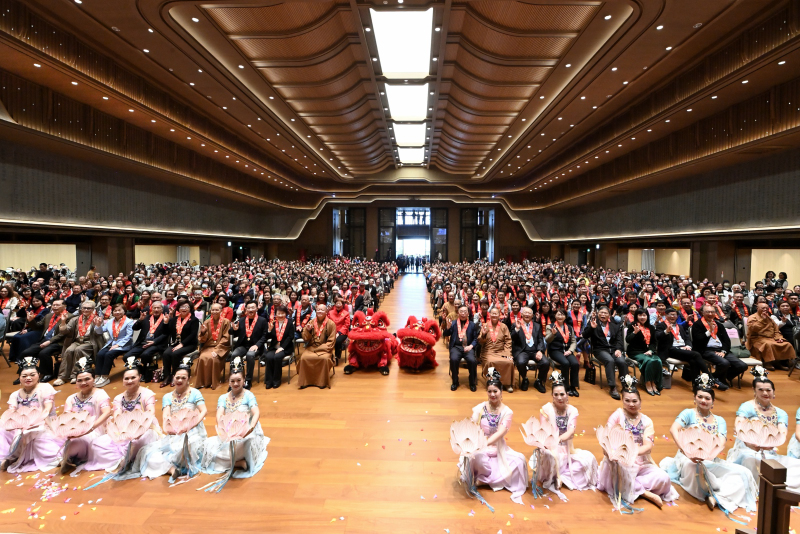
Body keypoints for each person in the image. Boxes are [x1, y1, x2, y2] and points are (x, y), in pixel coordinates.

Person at [660, 374, 757, 514]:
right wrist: (686, 451)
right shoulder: (688, 413)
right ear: (694, 399)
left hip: (710, 458)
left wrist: (709, 455)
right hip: (688, 458)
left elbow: (721, 442)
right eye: (699, 397)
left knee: (744, 473)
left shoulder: (720, 420)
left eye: (707, 398)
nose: (703, 400)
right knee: (696, 468)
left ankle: (717, 498)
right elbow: (673, 429)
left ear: (713, 402)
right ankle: (715, 491)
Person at [597, 376, 678, 508]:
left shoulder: (647, 421)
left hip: (640, 460)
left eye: (635, 401)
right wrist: (615, 454)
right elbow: (606, 439)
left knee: (664, 478)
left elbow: (648, 446)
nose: (631, 404)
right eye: (627, 401)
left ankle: (635, 488)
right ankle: (645, 493)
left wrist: (632, 453)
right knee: (621, 474)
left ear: (640, 402)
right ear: (622, 401)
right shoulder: (617, 415)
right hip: (620, 461)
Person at [128, 359, 208, 481]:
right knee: (148, 452)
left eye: (183, 378)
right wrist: (169, 428)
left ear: (189, 379)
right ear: (173, 377)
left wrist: (191, 424)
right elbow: (166, 416)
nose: (179, 380)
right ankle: (171, 469)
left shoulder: (195, 393)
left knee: (184, 448)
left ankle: (174, 467)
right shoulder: (167, 396)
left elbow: (203, 411)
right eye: (177, 377)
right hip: (174, 431)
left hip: (192, 430)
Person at [725, 367, 800, 491]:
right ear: (754, 391)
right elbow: (738, 426)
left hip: (769, 451)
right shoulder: (747, 407)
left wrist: (770, 444)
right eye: (760, 390)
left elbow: (782, 432)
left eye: (768, 390)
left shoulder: (780, 413)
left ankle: (775, 492)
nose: (765, 393)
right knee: (752, 461)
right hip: (747, 449)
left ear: (773, 392)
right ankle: (756, 492)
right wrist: (751, 444)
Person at [463, 369, 528, 504]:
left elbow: (500, 433)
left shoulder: (507, 412)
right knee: (475, 457)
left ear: (501, 391)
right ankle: (481, 478)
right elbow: (472, 426)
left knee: (520, 460)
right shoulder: (480, 408)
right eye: (489, 391)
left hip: (498, 447)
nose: (492, 394)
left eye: (495, 391)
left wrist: (485, 443)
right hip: (480, 445)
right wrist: (472, 441)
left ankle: (487, 480)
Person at [201, 358, 269, 479]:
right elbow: (219, 415)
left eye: (239, 380)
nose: (236, 384)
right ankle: (238, 463)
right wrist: (224, 430)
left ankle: (233, 461)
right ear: (229, 382)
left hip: (246, 432)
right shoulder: (223, 397)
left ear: (244, 380)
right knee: (208, 447)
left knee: (243, 445)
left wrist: (250, 428)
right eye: (232, 381)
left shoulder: (248, 395)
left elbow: (256, 412)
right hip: (229, 432)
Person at [0, 357, 63, 472]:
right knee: (2, 429)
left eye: (32, 375)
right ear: (19, 378)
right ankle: (5, 458)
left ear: (38, 375)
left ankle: (55, 458)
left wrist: (35, 422)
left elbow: (47, 409)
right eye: (24, 376)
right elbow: (11, 412)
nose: (28, 378)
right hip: (21, 425)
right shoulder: (15, 394)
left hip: (44, 422)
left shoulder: (45, 387)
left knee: (35, 432)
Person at [539, 372, 598, 493]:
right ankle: (557, 476)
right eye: (556, 394)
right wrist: (552, 443)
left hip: (567, 447)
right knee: (552, 456)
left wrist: (559, 439)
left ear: (567, 395)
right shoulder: (546, 409)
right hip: (549, 446)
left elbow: (571, 431)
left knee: (588, 459)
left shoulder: (572, 410)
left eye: (562, 394)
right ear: (552, 396)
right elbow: (543, 431)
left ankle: (561, 476)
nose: (559, 398)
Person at [60, 357, 119, 474]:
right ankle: (71, 457)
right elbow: (66, 416)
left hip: (95, 430)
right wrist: (69, 430)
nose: (83, 383)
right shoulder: (71, 398)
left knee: (76, 444)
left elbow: (107, 413)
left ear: (94, 379)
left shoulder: (100, 394)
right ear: (76, 382)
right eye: (80, 380)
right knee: (68, 444)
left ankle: (74, 456)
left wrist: (90, 428)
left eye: (87, 379)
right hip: (76, 431)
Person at [656, 307, 717, 388]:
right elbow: (657, 336)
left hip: (683, 349)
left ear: (677, 316)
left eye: (674, 315)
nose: (673, 316)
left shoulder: (679, 326)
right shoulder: (661, 325)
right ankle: (711, 378)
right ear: (666, 315)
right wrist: (666, 331)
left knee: (693, 361)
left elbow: (687, 338)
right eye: (670, 314)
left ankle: (696, 385)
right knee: (696, 354)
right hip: (670, 349)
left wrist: (688, 346)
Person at [692, 305, 747, 388]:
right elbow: (698, 340)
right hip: (706, 350)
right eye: (707, 312)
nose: (710, 314)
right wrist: (709, 331)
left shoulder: (719, 324)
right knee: (724, 363)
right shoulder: (697, 324)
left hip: (721, 350)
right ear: (702, 313)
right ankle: (720, 379)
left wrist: (723, 351)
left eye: (712, 312)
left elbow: (726, 340)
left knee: (742, 366)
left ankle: (716, 377)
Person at [15, 299, 69, 385]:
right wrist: (31, 320)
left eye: (57, 305)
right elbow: (37, 327)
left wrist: (50, 341)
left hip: (59, 342)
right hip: (44, 340)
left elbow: (63, 334)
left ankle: (48, 374)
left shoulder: (70, 317)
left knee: (43, 353)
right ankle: (24, 374)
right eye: (53, 305)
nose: (55, 307)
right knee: (26, 352)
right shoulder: (48, 315)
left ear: (64, 306)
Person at [54, 301, 103, 387]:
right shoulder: (75, 319)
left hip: (89, 342)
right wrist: (63, 322)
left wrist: (98, 326)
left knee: (78, 350)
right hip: (77, 341)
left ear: (93, 309)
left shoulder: (97, 319)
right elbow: (65, 331)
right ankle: (62, 377)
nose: (86, 310)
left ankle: (75, 375)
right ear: (81, 309)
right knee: (69, 350)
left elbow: (99, 334)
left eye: (89, 308)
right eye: (84, 308)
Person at [582, 305, 625, 399]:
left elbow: (619, 340)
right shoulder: (593, 322)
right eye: (601, 312)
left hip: (614, 350)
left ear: (609, 315)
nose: (603, 315)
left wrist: (618, 349)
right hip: (600, 350)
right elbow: (584, 335)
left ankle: (626, 385)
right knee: (609, 360)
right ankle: (612, 387)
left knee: (621, 361)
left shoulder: (614, 325)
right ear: (598, 314)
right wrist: (591, 328)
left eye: (605, 313)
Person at [93, 304, 134, 388]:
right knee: (100, 354)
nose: (117, 312)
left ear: (124, 311)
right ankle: (97, 376)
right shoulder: (110, 321)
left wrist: (118, 345)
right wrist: (98, 325)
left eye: (119, 310)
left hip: (124, 345)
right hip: (111, 344)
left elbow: (129, 336)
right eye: (115, 310)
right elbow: (100, 332)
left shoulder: (129, 321)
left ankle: (104, 377)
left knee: (109, 354)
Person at [125, 300, 169, 380]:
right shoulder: (146, 318)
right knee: (127, 357)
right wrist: (140, 320)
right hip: (143, 343)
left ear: (162, 309)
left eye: (158, 308)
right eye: (154, 308)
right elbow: (135, 328)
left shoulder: (166, 318)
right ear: (151, 309)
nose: (156, 310)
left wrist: (154, 342)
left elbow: (166, 334)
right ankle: (140, 369)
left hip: (156, 343)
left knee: (145, 355)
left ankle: (145, 373)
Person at [160, 301, 200, 388]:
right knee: (166, 353)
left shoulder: (194, 320)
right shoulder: (174, 319)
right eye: (182, 307)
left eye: (186, 307)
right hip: (175, 343)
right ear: (178, 309)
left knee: (175, 354)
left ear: (190, 309)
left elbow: (193, 335)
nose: (184, 308)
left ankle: (175, 376)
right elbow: (165, 332)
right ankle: (167, 376)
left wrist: (182, 344)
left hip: (189, 344)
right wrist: (166, 323)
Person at [229, 302, 268, 390]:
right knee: (234, 354)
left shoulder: (262, 320)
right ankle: (234, 379)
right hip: (243, 345)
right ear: (246, 309)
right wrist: (234, 330)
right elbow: (232, 332)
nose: (250, 310)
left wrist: (257, 345)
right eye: (249, 308)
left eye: (253, 307)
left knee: (250, 355)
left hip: (256, 346)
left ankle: (248, 380)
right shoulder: (241, 320)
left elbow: (265, 336)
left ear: (257, 309)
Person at [746, 302, 795, 368]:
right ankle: (767, 363)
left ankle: (780, 362)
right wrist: (762, 320)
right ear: (757, 308)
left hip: (772, 338)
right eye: (763, 308)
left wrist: (779, 338)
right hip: (757, 338)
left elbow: (776, 330)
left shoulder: (769, 318)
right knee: (768, 344)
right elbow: (753, 328)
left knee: (787, 344)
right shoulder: (752, 317)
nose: (765, 309)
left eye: (767, 308)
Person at [194, 303, 231, 390]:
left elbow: (226, 338)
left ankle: (213, 381)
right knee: (202, 357)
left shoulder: (226, 322)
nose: (214, 311)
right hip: (208, 347)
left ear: (221, 311)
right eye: (213, 310)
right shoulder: (206, 322)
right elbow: (202, 340)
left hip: (222, 347)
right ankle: (203, 382)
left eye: (217, 310)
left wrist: (217, 350)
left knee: (213, 358)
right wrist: (203, 332)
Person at [299, 303, 336, 389]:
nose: (320, 311)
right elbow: (305, 338)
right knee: (304, 358)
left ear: (326, 312)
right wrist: (308, 331)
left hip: (324, 349)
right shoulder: (311, 322)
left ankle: (321, 382)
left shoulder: (331, 324)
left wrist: (318, 349)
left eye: (322, 310)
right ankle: (305, 382)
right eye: (318, 309)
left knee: (324, 359)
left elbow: (331, 342)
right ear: (315, 311)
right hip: (311, 347)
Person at [477, 308, 514, 393]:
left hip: (501, 351)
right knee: (491, 361)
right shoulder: (485, 325)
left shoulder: (504, 326)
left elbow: (508, 341)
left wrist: (507, 353)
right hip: (488, 351)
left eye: (496, 313)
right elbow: (480, 341)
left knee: (509, 362)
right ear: (490, 315)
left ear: (499, 315)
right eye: (492, 313)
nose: (494, 315)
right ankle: (491, 383)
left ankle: (507, 384)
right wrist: (483, 334)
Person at [626, 309, 661, 396]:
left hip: (648, 352)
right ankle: (647, 382)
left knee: (658, 360)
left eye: (644, 315)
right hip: (635, 351)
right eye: (640, 315)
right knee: (649, 361)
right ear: (636, 316)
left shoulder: (651, 327)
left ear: (647, 316)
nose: (642, 317)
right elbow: (628, 340)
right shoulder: (632, 325)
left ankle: (654, 383)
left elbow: (654, 342)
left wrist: (651, 350)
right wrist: (634, 333)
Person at [545, 308, 580, 396]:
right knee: (565, 363)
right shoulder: (550, 326)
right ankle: (565, 387)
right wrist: (552, 334)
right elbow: (547, 340)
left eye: (562, 315)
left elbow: (573, 341)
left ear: (565, 316)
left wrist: (570, 350)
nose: (560, 316)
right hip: (555, 350)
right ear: (555, 316)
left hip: (567, 351)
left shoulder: (569, 327)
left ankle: (573, 387)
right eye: (558, 314)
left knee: (575, 363)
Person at [262, 304, 294, 389]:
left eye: (282, 313)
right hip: (274, 347)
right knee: (268, 357)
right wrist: (269, 330)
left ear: (286, 314)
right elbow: (267, 337)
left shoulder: (290, 323)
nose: (280, 315)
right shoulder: (272, 323)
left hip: (285, 348)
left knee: (277, 357)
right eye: (278, 313)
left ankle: (276, 380)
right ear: (275, 314)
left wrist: (282, 348)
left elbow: (290, 337)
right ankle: (269, 381)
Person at [449, 304, 478, 392]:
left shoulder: (472, 325)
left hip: (468, 347)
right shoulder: (453, 323)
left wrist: (471, 346)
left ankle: (472, 382)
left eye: (465, 312)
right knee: (453, 359)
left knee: (472, 360)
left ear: (468, 313)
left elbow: (476, 339)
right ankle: (455, 381)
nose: (463, 313)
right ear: (458, 313)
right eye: (461, 311)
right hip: (456, 347)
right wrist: (447, 327)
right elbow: (446, 334)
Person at [328, 298, 350, 365]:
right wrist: (332, 332)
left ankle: (336, 357)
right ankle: (328, 356)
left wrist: (339, 333)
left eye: (340, 303)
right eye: (337, 303)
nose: (338, 305)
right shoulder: (330, 312)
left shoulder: (346, 313)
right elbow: (328, 322)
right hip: (332, 331)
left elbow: (346, 325)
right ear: (335, 304)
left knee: (338, 341)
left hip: (342, 332)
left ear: (342, 305)